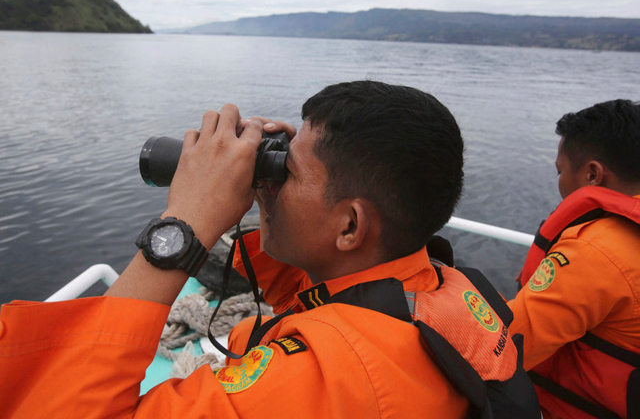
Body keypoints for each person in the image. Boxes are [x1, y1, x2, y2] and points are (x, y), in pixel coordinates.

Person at [0, 80, 537, 418]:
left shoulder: (312, 382)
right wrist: (260, 181)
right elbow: (310, 286)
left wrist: (185, 224)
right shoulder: (430, 283)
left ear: (349, 225)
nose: (268, 181)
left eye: (288, 170)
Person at [509, 99, 640, 419]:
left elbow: (505, 347)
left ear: (593, 174)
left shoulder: (596, 251)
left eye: (560, 171)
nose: (559, 182)